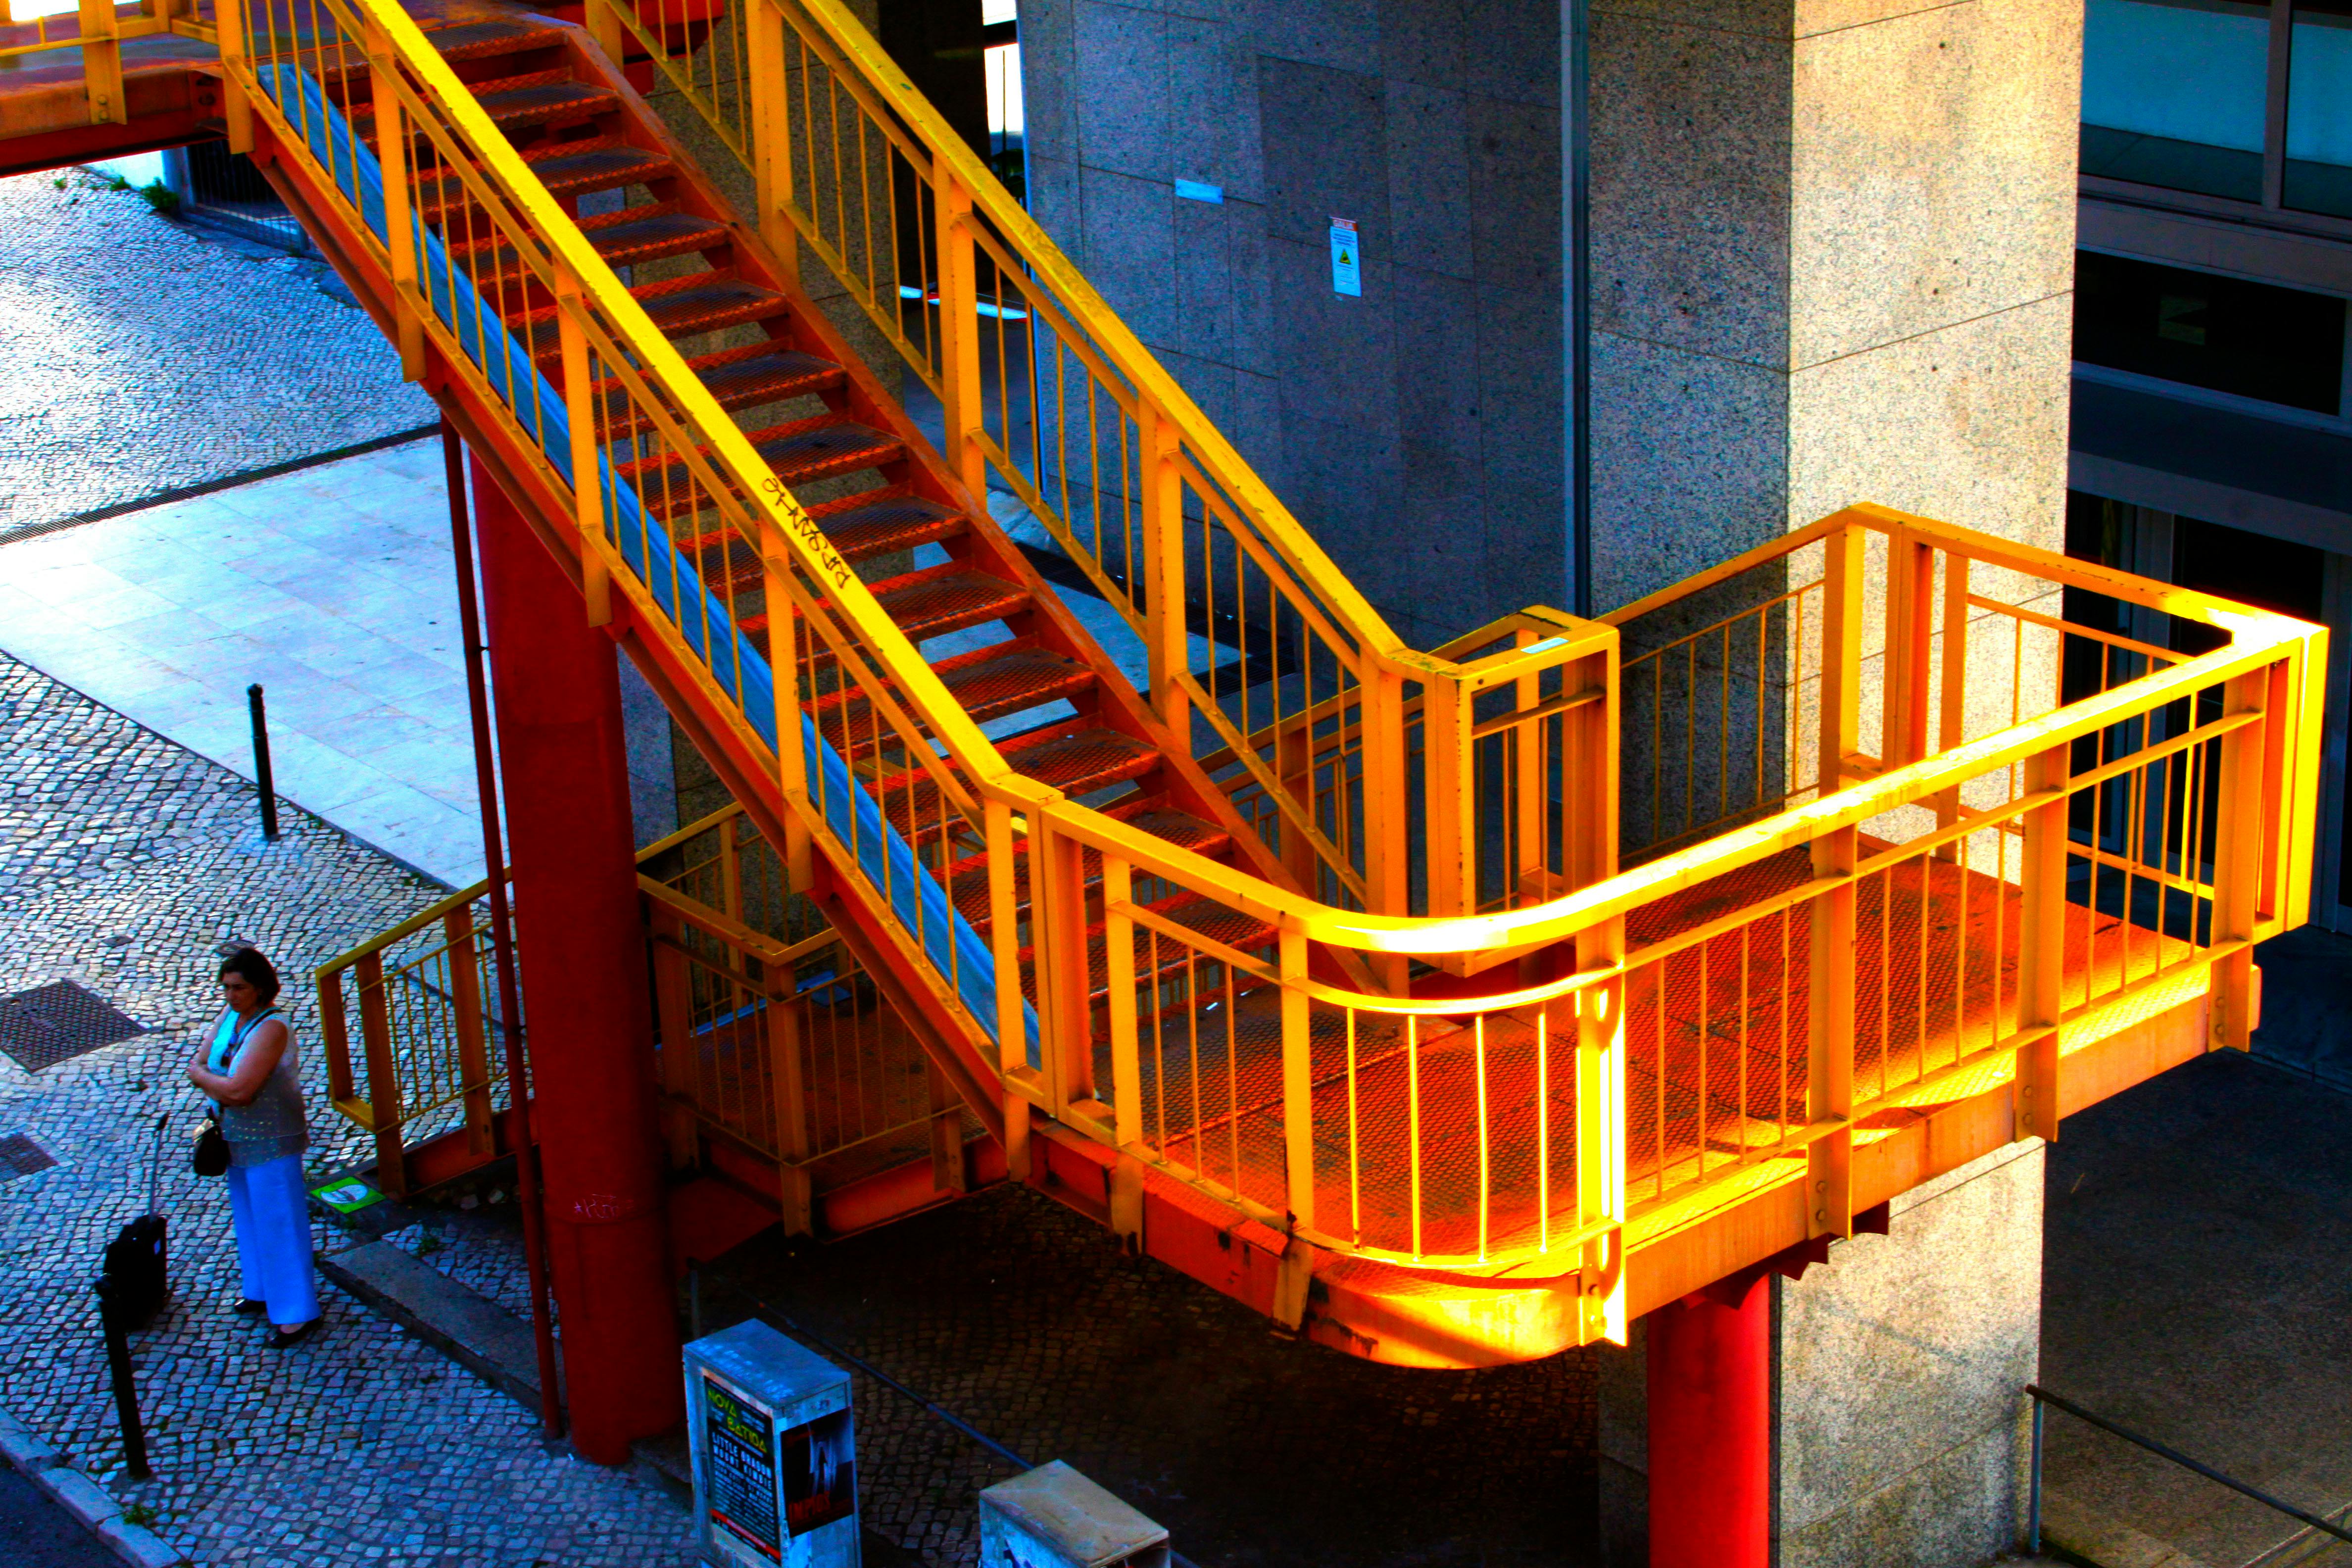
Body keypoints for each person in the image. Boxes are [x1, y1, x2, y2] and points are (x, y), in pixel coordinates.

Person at [186, 947, 322, 1349]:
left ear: (260, 988)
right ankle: (261, 1289)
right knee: (249, 1216)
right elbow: (206, 1060)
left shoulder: (272, 1028)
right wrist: (210, 1078)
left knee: (280, 1220)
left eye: (239, 988)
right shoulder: (231, 1017)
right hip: (235, 1135)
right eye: (226, 987)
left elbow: (240, 1089)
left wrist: (203, 1077)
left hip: (270, 1138)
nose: (230, 995)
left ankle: (296, 1311)